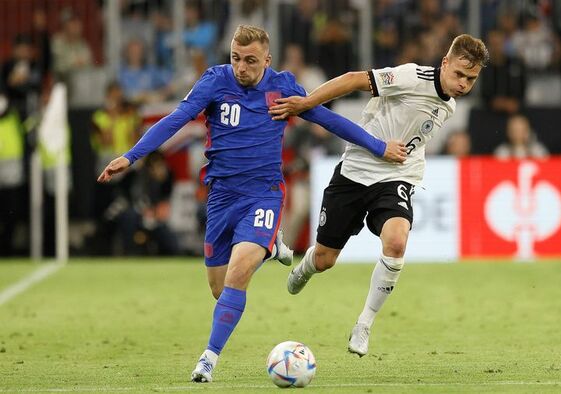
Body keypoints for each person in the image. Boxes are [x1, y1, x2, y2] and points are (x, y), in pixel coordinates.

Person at [97, 25, 406, 383]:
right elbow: (176, 120)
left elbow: (328, 118)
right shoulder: (214, 82)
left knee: (238, 274)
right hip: (221, 197)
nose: (241, 68)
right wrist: (131, 156)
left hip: (263, 195)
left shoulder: (283, 88)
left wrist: (379, 146)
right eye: (235, 59)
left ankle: (208, 359)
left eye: (250, 61)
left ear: (267, 60)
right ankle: (271, 247)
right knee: (220, 287)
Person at [269, 34, 488, 357]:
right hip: (354, 172)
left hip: (398, 177)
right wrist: (306, 103)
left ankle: (364, 324)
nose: (463, 84)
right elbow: (353, 79)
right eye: (459, 74)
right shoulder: (412, 77)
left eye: (471, 79)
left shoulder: (450, 105)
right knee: (326, 259)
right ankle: (307, 267)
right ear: (444, 63)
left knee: (397, 241)